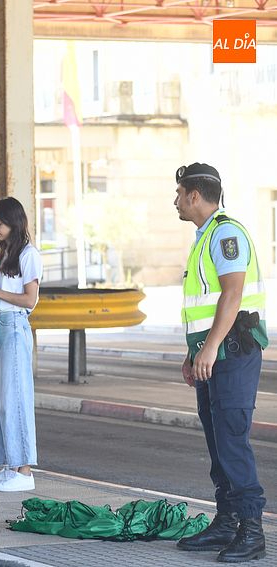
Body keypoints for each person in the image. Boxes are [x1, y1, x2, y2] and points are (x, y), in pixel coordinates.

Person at [172, 163, 267, 563]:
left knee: (231, 441)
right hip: (213, 354)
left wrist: (208, 349)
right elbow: (205, 305)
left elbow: (232, 294)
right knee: (217, 443)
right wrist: (194, 352)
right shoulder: (205, 235)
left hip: (232, 353)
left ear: (195, 195)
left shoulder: (226, 233)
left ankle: (252, 531)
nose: (174, 201)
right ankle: (227, 523)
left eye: (178, 193)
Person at [0, 197, 41, 493]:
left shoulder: (28, 254)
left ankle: (24, 470)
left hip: (13, 326)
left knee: (14, 398)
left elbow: (30, 300)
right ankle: (7, 465)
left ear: (14, 221)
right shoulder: (1, 255)